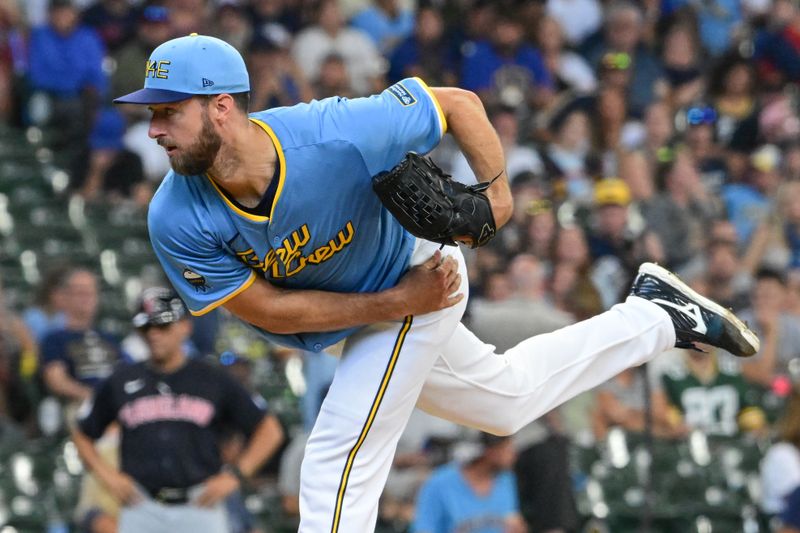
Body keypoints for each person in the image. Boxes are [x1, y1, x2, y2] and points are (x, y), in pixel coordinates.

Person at [113, 34, 760, 532]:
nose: (153, 129)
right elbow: (270, 310)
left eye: (168, 111)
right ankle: (654, 315)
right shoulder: (176, 213)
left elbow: (457, 105)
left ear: (221, 107)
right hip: (382, 301)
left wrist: (500, 199)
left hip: (421, 272)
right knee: (505, 401)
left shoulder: (334, 132)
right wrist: (390, 303)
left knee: (335, 454)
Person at [71, 287, 284, 533]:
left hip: (199, 503)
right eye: (146, 328)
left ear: (185, 326)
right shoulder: (121, 380)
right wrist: (109, 476)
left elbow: (270, 429)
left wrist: (235, 475)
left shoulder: (212, 378)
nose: (153, 335)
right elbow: (82, 433)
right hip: (141, 505)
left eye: (162, 327)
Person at [411, 433, 526, 533]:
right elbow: (424, 529)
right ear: (491, 451)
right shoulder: (439, 483)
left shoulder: (506, 480)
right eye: (508, 449)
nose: (513, 455)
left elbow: (512, 520)